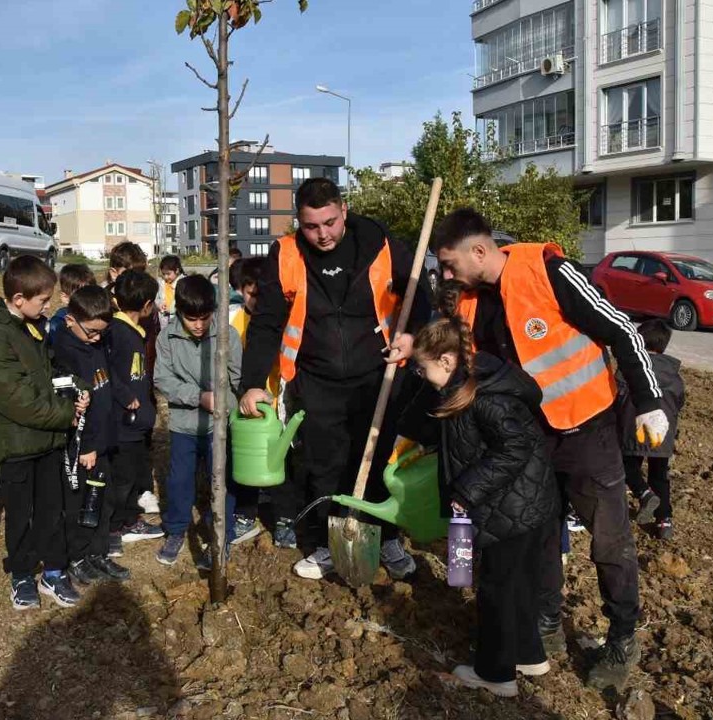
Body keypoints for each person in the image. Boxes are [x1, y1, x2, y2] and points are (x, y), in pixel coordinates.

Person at [426, 208, 669, 689]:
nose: (448, 275)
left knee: (608, 540)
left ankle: (622, 635)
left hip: (586, 431)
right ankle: (546, 624)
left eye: (451, 264)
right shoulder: (471, 302)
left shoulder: (548, 272)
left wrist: (649, 400)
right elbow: (451, 354)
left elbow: (620, 329)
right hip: (529, 441)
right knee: (539, 535)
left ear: (480, 250)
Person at [237, 177, 428, 580]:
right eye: (311, 226)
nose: (322, 234)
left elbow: (420, 295)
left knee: (376, 459)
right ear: (298, 222)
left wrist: (411, 336)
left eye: (329, 222)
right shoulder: (285, 254)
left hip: (378, 375)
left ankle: (386, 536)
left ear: (343, 210)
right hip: (317, 378)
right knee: (325, 465)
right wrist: (252, 381)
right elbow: (267, 322)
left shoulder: (380, 243)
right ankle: (328, 543)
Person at [412, 315, 559, 697]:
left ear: (445, 361)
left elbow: (515, 447)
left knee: (498, 589)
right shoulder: (464, 384)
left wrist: (467, 488)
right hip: (524, 504)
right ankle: (528, 654)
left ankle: (496, 674)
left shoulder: (486, 396)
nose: (420, 374)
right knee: (519, 585)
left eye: (422, 366)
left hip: (511, 507)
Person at [0, 255, 87, 610]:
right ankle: (22, 573)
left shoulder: (32, 328)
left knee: (52, 509)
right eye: (43, 300)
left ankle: (54, 571)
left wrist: (76, 388)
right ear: (18, 299)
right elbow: (19, 400)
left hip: (47, 440)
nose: (49, 305)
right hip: (19, 443)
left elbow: (51, 372)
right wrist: (67, 415)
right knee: (21, 513)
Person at [152, 274, 246, 566]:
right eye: (191, 318)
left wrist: (235, 403)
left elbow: (237, 378)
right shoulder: (167, 338)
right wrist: (198, 396)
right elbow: (163, 380)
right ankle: (177, 529)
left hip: (221, 425)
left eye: (205, 318)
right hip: (185, 425)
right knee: (179, 480)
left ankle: (222, 535)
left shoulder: (227, 335)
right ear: (178, 311)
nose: (199, 325)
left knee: (223, 480)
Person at [51, 284, 129, 584]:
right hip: (83, 447)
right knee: (82, 502)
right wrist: (86, 447)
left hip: (103, 443)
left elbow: (106, 383)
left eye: (101, 332)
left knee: (103, 499)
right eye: (92, 332)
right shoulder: (65, 352)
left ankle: (98, 552)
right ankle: (78, 556)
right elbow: (75, 406)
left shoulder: (96, 345)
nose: (97, 337)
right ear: (71, 320)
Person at [107, 270, 165, 556]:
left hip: (135, 424)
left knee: (130, 473)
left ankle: (131, 519)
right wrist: (126, 396)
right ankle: (115, 527)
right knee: (122, 478)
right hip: (122, 424)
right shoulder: (118, 333)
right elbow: (105, 371)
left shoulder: (133, 333)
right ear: (147, 306)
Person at [618, 319, 685, 540]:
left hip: (632, 428)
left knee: (628, 467)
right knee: (659, 475)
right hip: (662, 432)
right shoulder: (674, 376)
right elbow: (678, 402)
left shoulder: (630, 368)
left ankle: (643, 493)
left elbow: (615, 397)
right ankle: (664, 521)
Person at [228, 257, 279, 545]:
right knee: (246, 455)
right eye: (251, 294)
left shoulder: (279, 318)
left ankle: (282, 514)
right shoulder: (237, 323)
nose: (256, 300)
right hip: (248, 401)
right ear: (241, 290)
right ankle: (246, 514)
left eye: (263, 294)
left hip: (277, 401)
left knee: (281, 457)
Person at [48, 263, 97, 338]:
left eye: (91, 293)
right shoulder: (59, 321)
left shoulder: (97, 316)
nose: (87, 299)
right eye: (81, 296)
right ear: (65, 298)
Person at [156, 255, 185, 328]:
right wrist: (159, 304)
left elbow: (185, 302)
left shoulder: (184, 283)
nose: (165, 277)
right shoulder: (161, 283)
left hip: (178, 321)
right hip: (164, 320)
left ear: (177, 270)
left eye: (168, 274)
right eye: (163, 274)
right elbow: (157, 298)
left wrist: (172, 309)